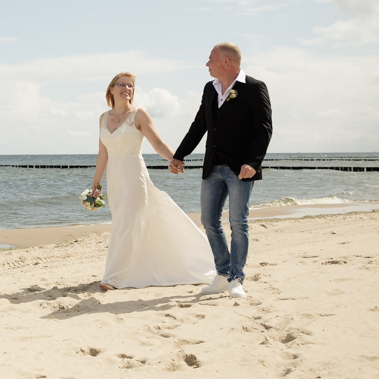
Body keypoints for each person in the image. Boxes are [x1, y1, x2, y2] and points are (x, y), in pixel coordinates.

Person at [91, 72, 216, 290]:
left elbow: (157, 143)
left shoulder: (139, 115)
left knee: (127, 223)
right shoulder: (103, 118)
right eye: (122, 84)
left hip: (134, 176)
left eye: (130, 86)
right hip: (115, 180)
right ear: (111, 88)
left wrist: (175, 159)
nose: (127, 89)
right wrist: (96, 184)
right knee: (123, 223)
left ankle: (113, 278)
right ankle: (129, 272)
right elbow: (103, 154)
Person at [169, 43, 273, 299]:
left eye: (210, 59)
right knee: (209, 220)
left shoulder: (254, 87)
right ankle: (223, 274)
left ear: (226, 61)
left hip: (241, 169)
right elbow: (199, 125)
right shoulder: (210, 88)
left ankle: (237, 279)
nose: (207, 64)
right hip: (212, 166)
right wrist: (179, 155)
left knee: (238, 222)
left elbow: (264, 128)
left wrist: (253, 162)